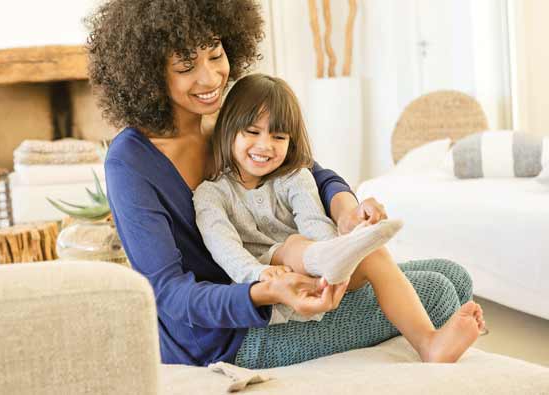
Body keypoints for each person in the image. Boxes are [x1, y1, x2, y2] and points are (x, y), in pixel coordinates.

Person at [87, 0, 485, 368]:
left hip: (291, 280)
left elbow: (308, 172)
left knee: (454, 275)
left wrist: (345, 209)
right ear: (148, 71)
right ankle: (435, 352)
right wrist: (267, 291)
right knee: (438, 293)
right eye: (186, 66)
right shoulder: (131, 162)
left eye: (215, 53)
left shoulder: (225, 115)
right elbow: (170, 293)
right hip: (227, 335)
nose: (210, 78)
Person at [193, 73, 404, 325]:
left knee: (373, 250)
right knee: (293, 245)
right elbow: (224, 248)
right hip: (272, 286)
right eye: (252, 132)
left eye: (278, 137)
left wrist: (339, 247)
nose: (265, 145)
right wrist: (258, 273)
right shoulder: (211, 194)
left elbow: (314, 222)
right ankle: (333, 256)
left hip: (325, 272)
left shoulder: (295, 176)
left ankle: (428, 339)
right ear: (228, 129)